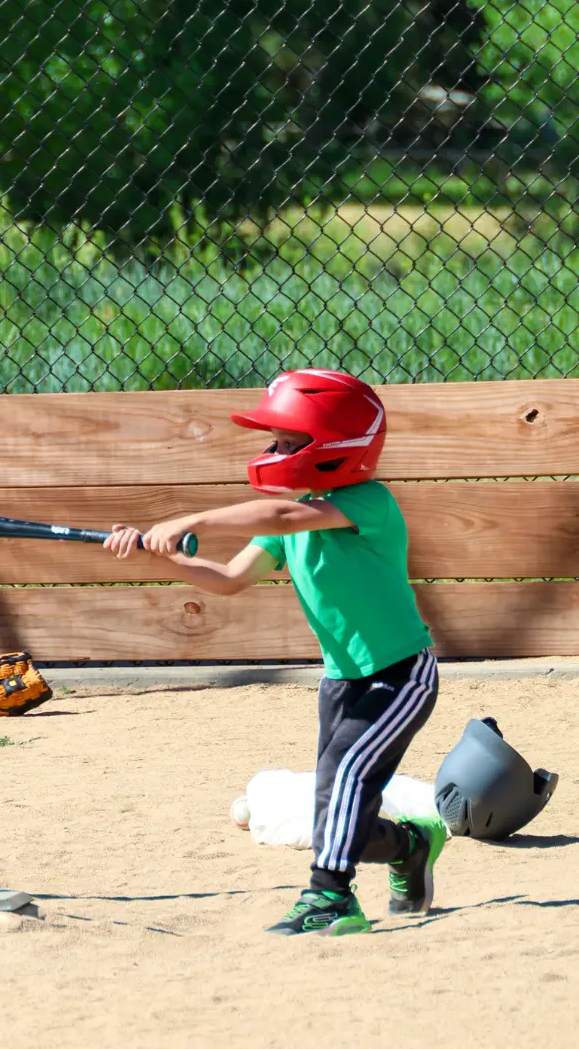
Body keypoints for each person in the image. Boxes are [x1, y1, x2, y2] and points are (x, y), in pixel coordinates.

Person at [103, 368, 447, 936]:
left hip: (400, 673)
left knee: (347, 778)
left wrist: (193, 518)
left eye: (290, 443)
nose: (275, 452)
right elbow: (228, 578)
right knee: (333, 811)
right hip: (342, 682)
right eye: (277, 441)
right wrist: (151, 554)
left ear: (339, 447)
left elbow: (285, 515)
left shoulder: (368, 500)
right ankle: (409, 845)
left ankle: (329, 900)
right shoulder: (290, 518)